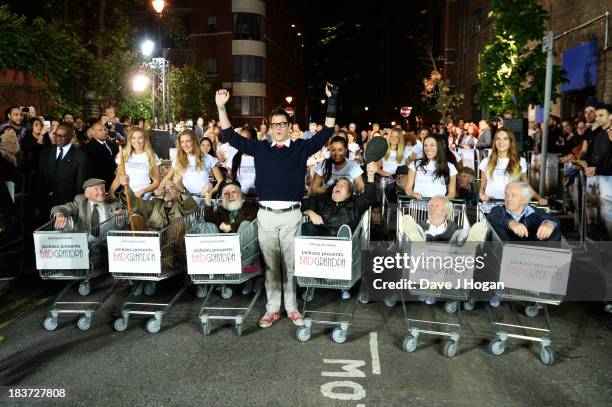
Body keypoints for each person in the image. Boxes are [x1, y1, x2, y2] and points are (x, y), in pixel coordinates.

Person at [215, 82, 338, 328]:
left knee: (290, 265)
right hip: (267, 216)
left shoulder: (301, 147)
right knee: (271, 265)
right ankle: (272, 309)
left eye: (283, 124)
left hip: (292, 215)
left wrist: (333, 99)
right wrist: (220, 107)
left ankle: (291, 308)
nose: (278, 129)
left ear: (289, 127)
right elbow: (230, 136)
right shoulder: (260, 148)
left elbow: (326, 132)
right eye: (274, 125)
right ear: (269, 128)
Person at [301, 163, 377, 299]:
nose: (338, 187)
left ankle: (341, 280)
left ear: (349, 193)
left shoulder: (354, 203)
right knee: (306, 227)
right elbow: (305, 203)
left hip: (343, 249)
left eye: (343, 186)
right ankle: (312, 282)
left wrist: (370, 176)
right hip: (319, 247)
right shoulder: (322, 201)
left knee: (345, 235)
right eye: (336, 185)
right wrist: (310, 212)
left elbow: (369, 198)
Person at [37, 123, 90, 224]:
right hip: (46, 207)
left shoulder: (81, 157)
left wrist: (76, 210)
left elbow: (79, 187)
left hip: (67, 209)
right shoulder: (45, 153)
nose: (58, 138)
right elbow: (40, 180)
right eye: (56, 135)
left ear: (71, 136)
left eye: (62, 136)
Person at [478, 128, 547, 205]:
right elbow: (483, 186)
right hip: (490, 207)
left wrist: (539, 198)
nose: (501, 142)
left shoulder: (520, 161)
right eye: (498, 139)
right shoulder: (486, 162)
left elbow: (526, 187)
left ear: (511, 142)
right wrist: (482, 194)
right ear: (494, 142)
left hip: (512, 206)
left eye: (505, 139)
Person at [486, 181, 561, 241]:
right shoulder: (498, 210)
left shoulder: (533, 212)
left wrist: (548, 224)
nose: (508, 198)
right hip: (503, 252)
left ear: (525, 199)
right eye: (506, 195)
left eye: (513, 195)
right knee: (496, 227)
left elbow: (552, 219)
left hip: (528, 251)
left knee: (554, 230)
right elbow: (491, 218)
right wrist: (510, 223)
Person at [162, 129, 224, 199]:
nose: (185, 145)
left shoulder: (207, 158)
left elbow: (221, 181)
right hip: (186, 200)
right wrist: (158, 190)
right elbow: (167, 179)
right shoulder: (178, 160)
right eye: (182, 142)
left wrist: (210, 193)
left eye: (188, 141)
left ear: (194, 141)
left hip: (204, 200)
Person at [122, 175, 198, 230]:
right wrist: (126, 188)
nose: (166, 191)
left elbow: (191, 207)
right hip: (153, 244)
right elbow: (135, 203)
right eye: (165, 188)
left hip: (175, 247)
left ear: (179, 192)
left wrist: (183, 190)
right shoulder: (155, 203)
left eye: (171, 188)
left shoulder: (183, 205)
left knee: (177, 224)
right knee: (135, 219)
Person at [50, 178, 123, 233]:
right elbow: (59, 208)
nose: (101, 192)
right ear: (87, 194)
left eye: (102, 188)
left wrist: (120, 218)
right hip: (84, 244)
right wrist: (59, 215)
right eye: (96, 189)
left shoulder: (113, 204)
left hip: (105, 245)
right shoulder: (80, 202)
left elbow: (123, 222)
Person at [109, 126, 161, 199]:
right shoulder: (123, 155)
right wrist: (111, 192)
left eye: (140, 138)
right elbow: (118, 178)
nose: (137, 141)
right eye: (133, 138)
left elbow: (156, 182)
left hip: (145, 197)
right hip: (127, 196)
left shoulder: (151, 156)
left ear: (145, 139)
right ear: (130, 140)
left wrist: (142, 191)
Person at [404, 134, 457, 199]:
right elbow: (408, 189)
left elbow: (452, 193)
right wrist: (413, 194)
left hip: (438, 208)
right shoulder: (415, 164)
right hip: (417, 207)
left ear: (439, 147)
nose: (428, 148)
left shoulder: (450, 167)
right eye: (425, 145)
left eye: (432, 145)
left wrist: (440, 201)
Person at [81, 121, 118, 187]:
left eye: (105, 129)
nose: (104, 132)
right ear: (92, 132)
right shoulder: (86, 149)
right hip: (99, 184)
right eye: (100, 130)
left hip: (116, 182)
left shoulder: (112, 145)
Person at [230, 127, 258, 196]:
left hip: (257, 197)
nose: (243, 142)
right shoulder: (236, 158)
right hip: (240, 197)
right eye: (241, 139)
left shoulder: (260, 157)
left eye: (246, 139)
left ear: (254, 140)